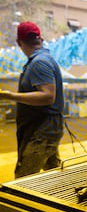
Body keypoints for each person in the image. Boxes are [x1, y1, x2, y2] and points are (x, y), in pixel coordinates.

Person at [0, 21, 64, 178]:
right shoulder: (42, 59)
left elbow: (48, 96)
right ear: (40, 39)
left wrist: (8, 95)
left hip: (41, 130)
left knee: (23, 180)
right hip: (47, 127)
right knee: (53, 174)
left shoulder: (39, 62)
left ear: (19, 42)